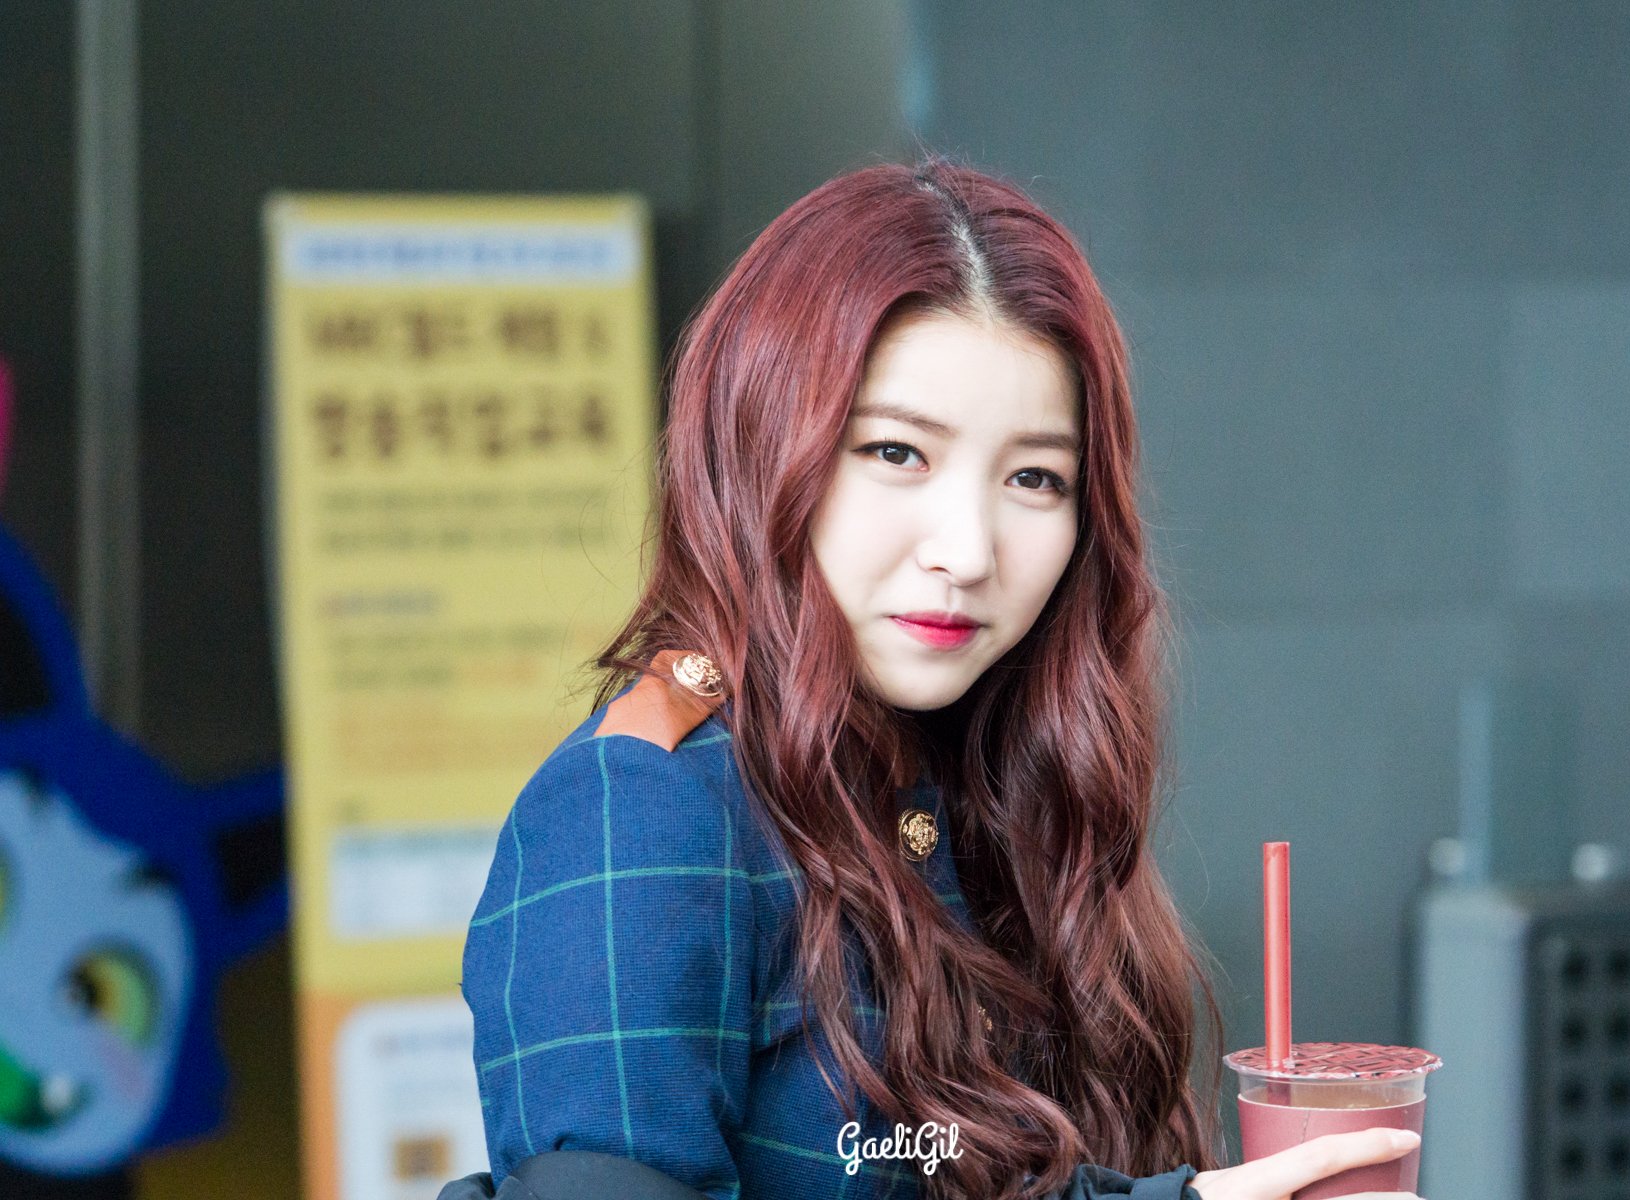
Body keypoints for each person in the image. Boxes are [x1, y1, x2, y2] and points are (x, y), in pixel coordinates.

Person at [445, 158, 1421, 1200]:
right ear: (760, 444)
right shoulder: (648, 804)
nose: (967, 549)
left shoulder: (992, 785)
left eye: (1034, 477)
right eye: (897, 453)